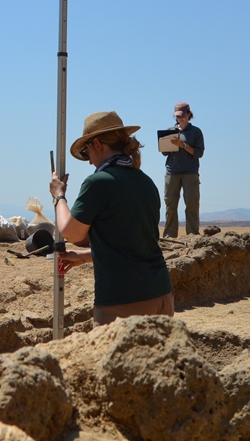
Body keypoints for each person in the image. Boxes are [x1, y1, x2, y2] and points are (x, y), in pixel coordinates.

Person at [49, 111, 174, 326]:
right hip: (161, 294)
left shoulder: (98, 183)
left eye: (87, 153)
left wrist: (59, 196)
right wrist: (85, 256)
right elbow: (133, 242)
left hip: (124, 302)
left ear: (97, 144)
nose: (89, 162)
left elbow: (71, 232)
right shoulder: (146, 182)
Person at [160, 101, 205, 237]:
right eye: (178, 116)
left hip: (190, 173)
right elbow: (164, 153)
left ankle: (192, 236)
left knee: (191, 205)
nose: (180, 118)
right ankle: (169, 236)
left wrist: (182, 145)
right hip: (172, 172)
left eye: (182, 115)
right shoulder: (169, 131)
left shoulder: (196, 132)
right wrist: (165, 144)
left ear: (189, 114)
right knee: (171, 205)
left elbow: (199, 153)